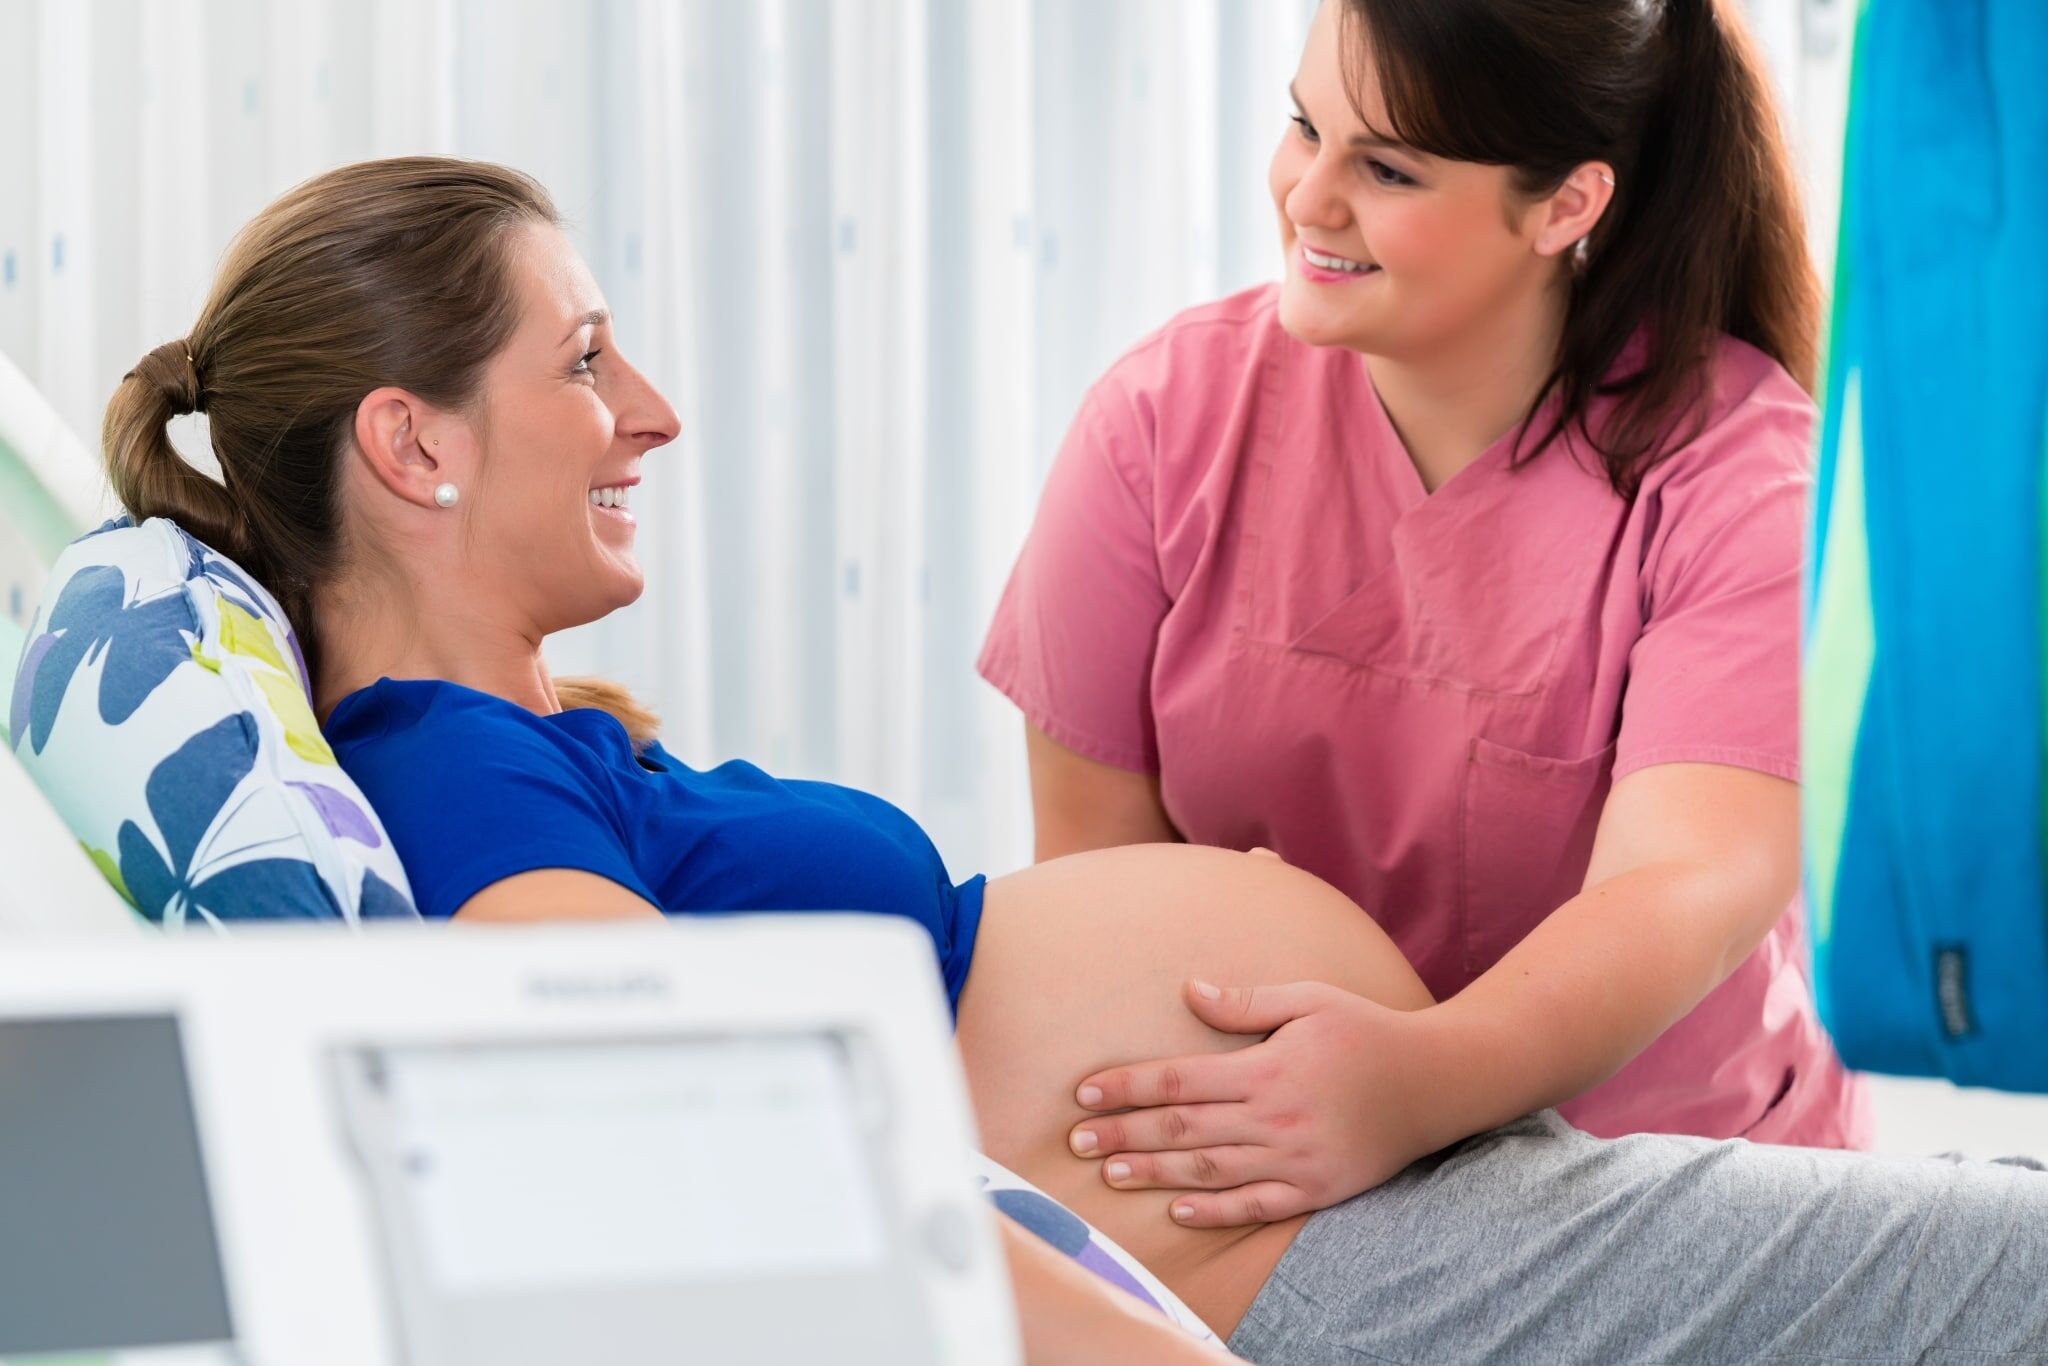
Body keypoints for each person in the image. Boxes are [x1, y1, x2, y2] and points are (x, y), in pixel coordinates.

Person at [100, 156, 2048, 1363]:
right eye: (586, 358)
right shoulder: (454, 773)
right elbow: (696, 1140)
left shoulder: (511, 751)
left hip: (1343, 1205)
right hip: (1282, 1255)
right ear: (415, 447)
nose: (654, 412)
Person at [980, 0, 1869, 1230]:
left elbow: (1684, 886)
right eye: (1304, 127)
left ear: (1566, 205)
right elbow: (1095, 886)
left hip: (1668, 1180)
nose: (1306, 197)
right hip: (1292, 1177)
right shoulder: (1158, 423)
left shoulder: (1736, 479)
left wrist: (1410, 1087)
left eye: (1386, 167)